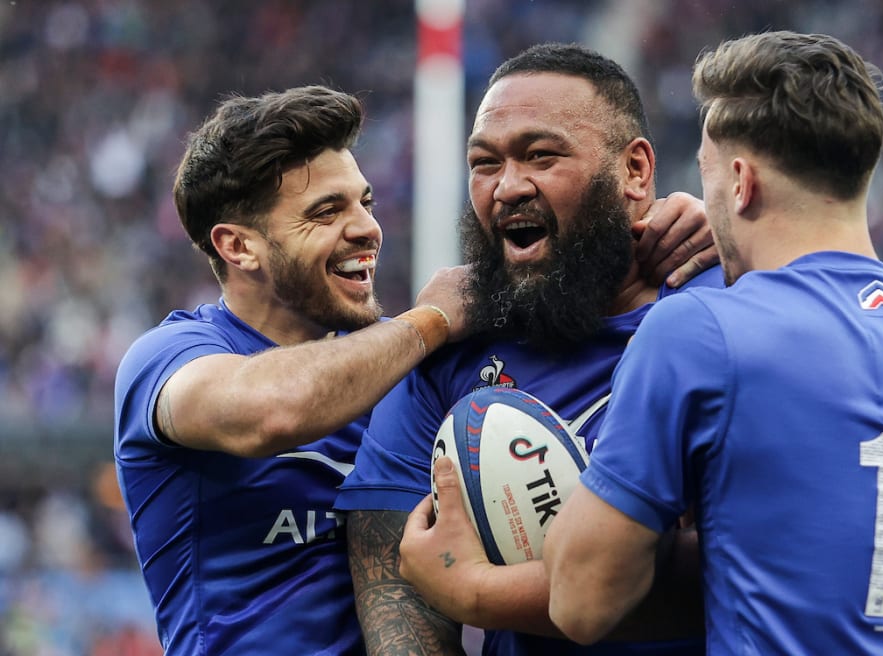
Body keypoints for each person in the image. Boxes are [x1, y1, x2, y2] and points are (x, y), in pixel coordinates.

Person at [113, 84, 711, 655]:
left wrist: (693, 228)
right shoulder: (169, 359)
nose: (366, 228)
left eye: (364, 202)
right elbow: (273, 410)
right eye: (325, 212)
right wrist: (431, 321)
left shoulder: (395, 372)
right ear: (238, 247)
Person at [543, 31, 883, 656]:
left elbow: (581, 601)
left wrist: (470, 588)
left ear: (740, 182)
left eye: (705, 178)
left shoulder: (699, 332)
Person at [337, 43, 720, 656]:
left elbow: (750, 566)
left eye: (541, 156)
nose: (508, 187)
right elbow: (394, 581)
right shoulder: (451, 350)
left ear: (636, 172)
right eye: (484, 163)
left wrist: (480, 591)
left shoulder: (723, 316)